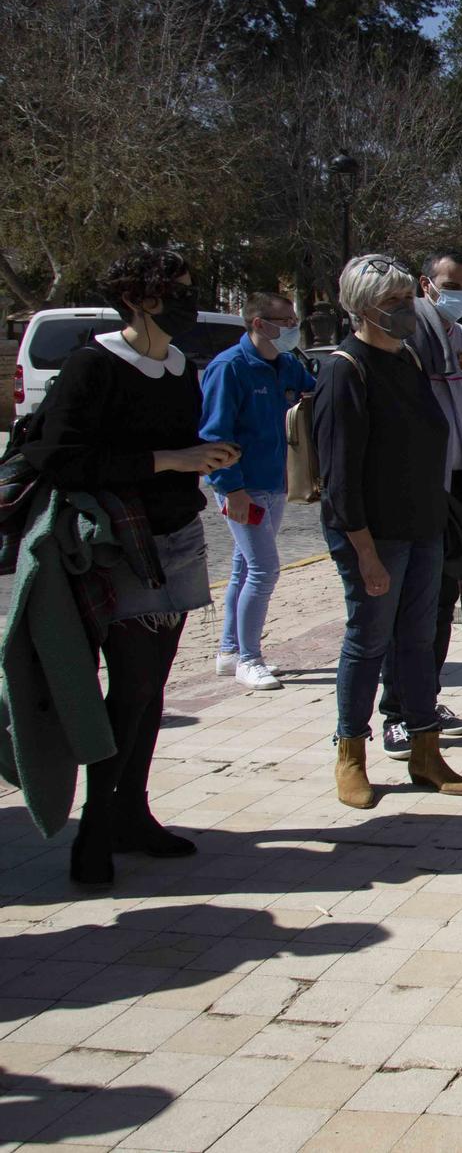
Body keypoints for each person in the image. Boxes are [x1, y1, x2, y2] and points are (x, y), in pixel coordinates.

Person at [25, 247, 238, 884]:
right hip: (118, 548)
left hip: (175, 539)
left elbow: (174, 442)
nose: (186, 302)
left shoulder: (177, 366)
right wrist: (168, 461)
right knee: (131, 688)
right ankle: (95, 829)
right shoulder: (93, 364)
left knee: (148, 690)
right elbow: (57, 457)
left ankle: (131, 814)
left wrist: (200, 457)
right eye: (175, 291)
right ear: (139, 299)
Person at [314, 254, 462, 808]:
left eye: (409, 299)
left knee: (419, 642)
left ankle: (425, 750)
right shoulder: (343, 369)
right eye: (394, 304)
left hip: (424, 528)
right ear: (361, 309)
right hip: (373, 537)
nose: (408, 311)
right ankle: (350, 754)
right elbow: (339, 479)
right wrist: (364, 554)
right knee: (367, 642)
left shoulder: (407, 359)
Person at [376, 250, 462, 757]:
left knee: (440, 605)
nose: (461, 295)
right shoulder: (404, 342)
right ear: (425, 285)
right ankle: (396, 713)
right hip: (412, 493)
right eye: (451, 284)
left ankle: (424, 700)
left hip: (459, 493)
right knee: (406, 608)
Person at [199, 291, 316, 691]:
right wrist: (231, 490)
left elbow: (315, 392)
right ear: (259, 324)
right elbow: (214, 435)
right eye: (285, 321)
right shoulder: (228, 369)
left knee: (244, 568)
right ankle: (250, 658)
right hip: (242, 489)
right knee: (264, 570)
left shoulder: (286, 365)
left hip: (274, 484)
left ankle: (230, 650)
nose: (292, 327)